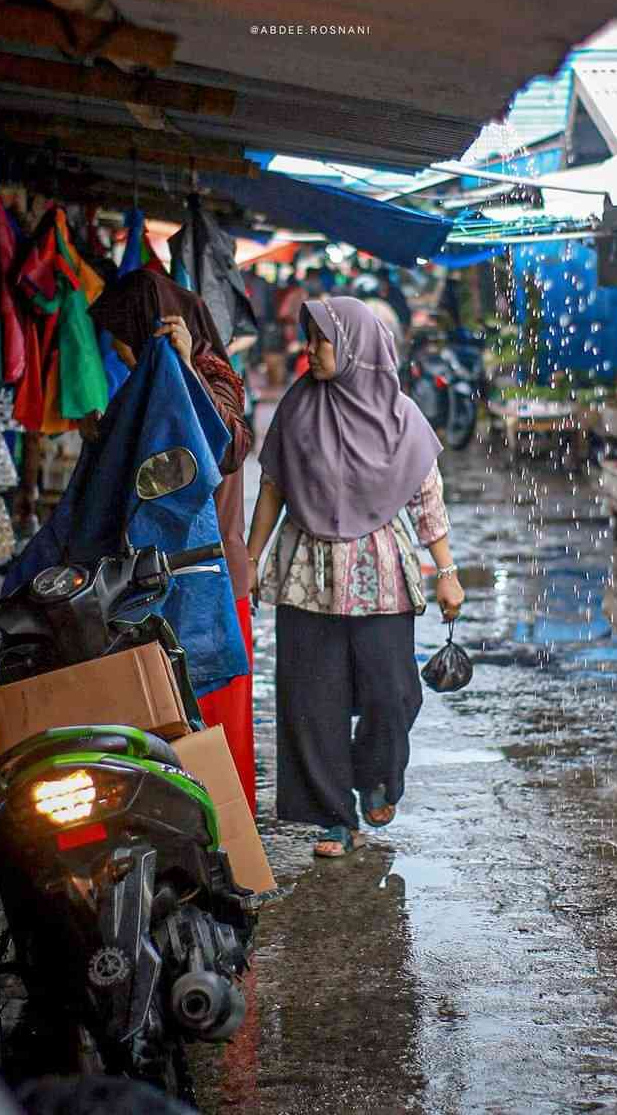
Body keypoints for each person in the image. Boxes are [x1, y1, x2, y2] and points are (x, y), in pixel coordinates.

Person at [246, 296, 464, 859]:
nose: (311, 350)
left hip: (379, 570)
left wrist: (447, 572)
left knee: (393, 692)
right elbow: (272, 485)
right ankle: (333, 818)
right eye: (310, 338)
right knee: (311, 699)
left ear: (355, 346)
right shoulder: (297, 406)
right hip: (307, 574)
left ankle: (378, 775)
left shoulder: (402, 415)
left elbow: (426, 496)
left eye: (322, 339)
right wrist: (249, 556)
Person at [91, 269, 257, 812]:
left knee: (212, 722)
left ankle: (229, 841)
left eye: (124, 342)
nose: (121, 354)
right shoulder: (147, 385)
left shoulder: (209, 372)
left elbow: (228, 450)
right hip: (157, 584)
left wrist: (184, 366)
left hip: (210, 584)